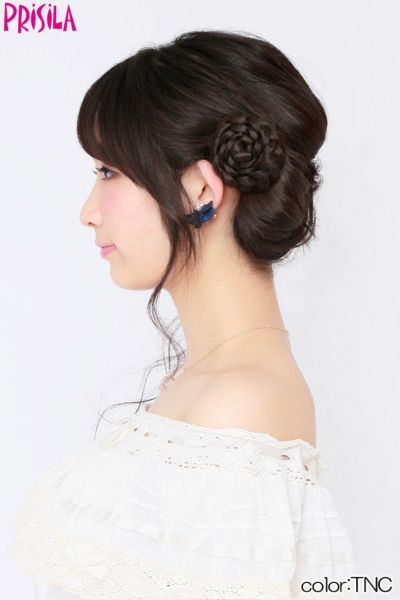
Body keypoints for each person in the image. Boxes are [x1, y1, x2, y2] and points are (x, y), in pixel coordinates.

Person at [8, 29, 359, 599]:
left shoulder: (242, 404)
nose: (88, 212)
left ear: (200, 188)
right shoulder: (202, 382)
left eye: (108, 172)